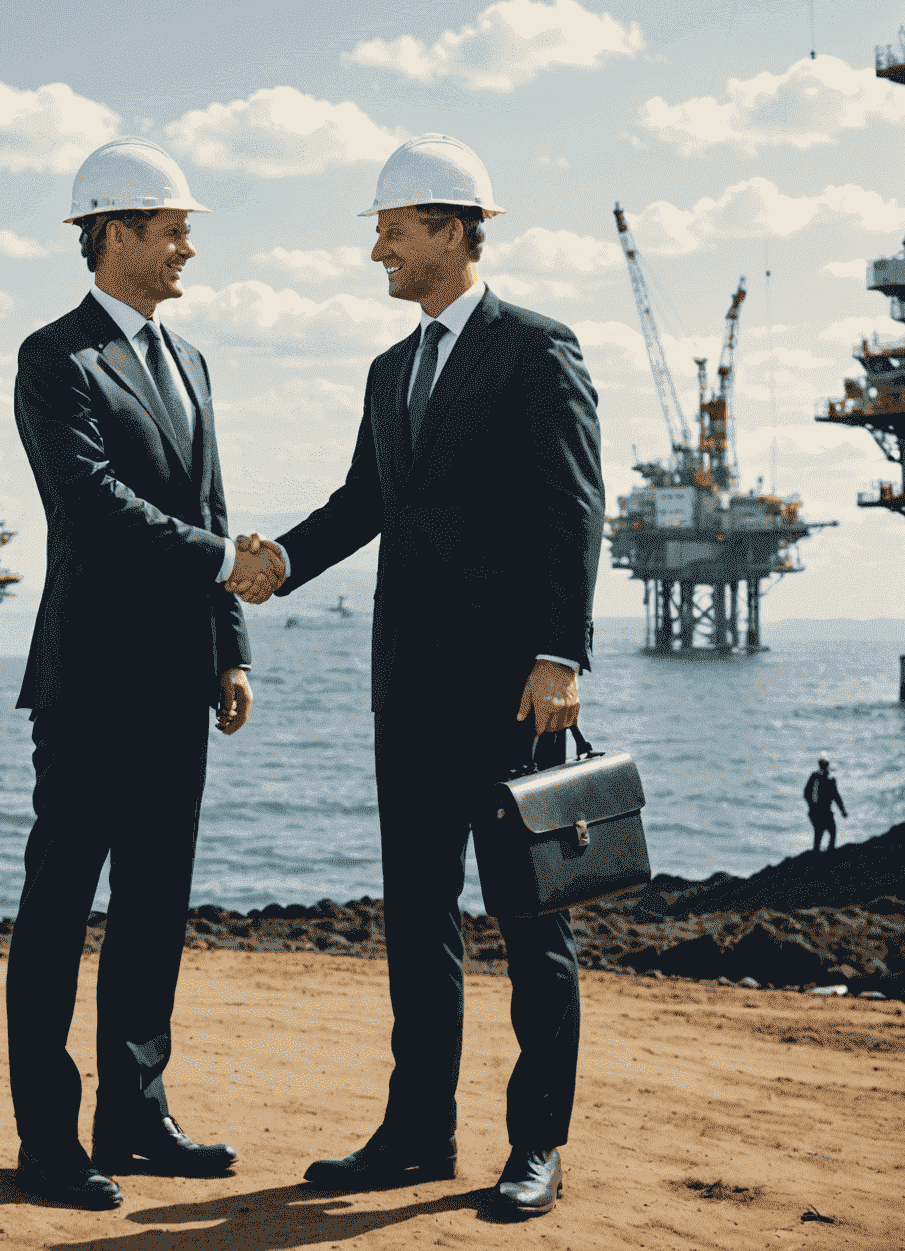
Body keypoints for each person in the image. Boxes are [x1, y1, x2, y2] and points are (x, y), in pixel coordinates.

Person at [230, 135, 603, 1220]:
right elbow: (363, 503)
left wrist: (559, 653)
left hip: (515, 691)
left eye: (390, 229)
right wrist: (281, 566)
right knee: (418, 918)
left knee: (534, 923)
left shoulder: (538, 349)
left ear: (450, 227)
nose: (377, 250)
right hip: (410, 692)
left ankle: (536, 1144)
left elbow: (576, 507)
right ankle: (415, 1134)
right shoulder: (389, 371)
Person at [7, 136, 282, 1211]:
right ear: (111, 233)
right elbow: (93, 510)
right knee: (59, 911)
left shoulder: (190, 360)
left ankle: (134, 1114)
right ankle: (48, 1140)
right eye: (172, 232)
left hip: (177, 683)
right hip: (88, 688)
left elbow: (210, 503)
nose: (186, 251)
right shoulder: (54, 359)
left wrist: (231, 647)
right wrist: (229, 565)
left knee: (156, 907)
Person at [804, 755, 847, 852]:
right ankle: (822, 853)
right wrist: (812, 806)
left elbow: (836, 797)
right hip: (819, 812)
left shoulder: (827, 779)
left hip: (821, 811)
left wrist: (842, 810)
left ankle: (824, 852)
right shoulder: (818, 778)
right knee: (824, 831)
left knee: (827, 831)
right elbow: (807, 793)